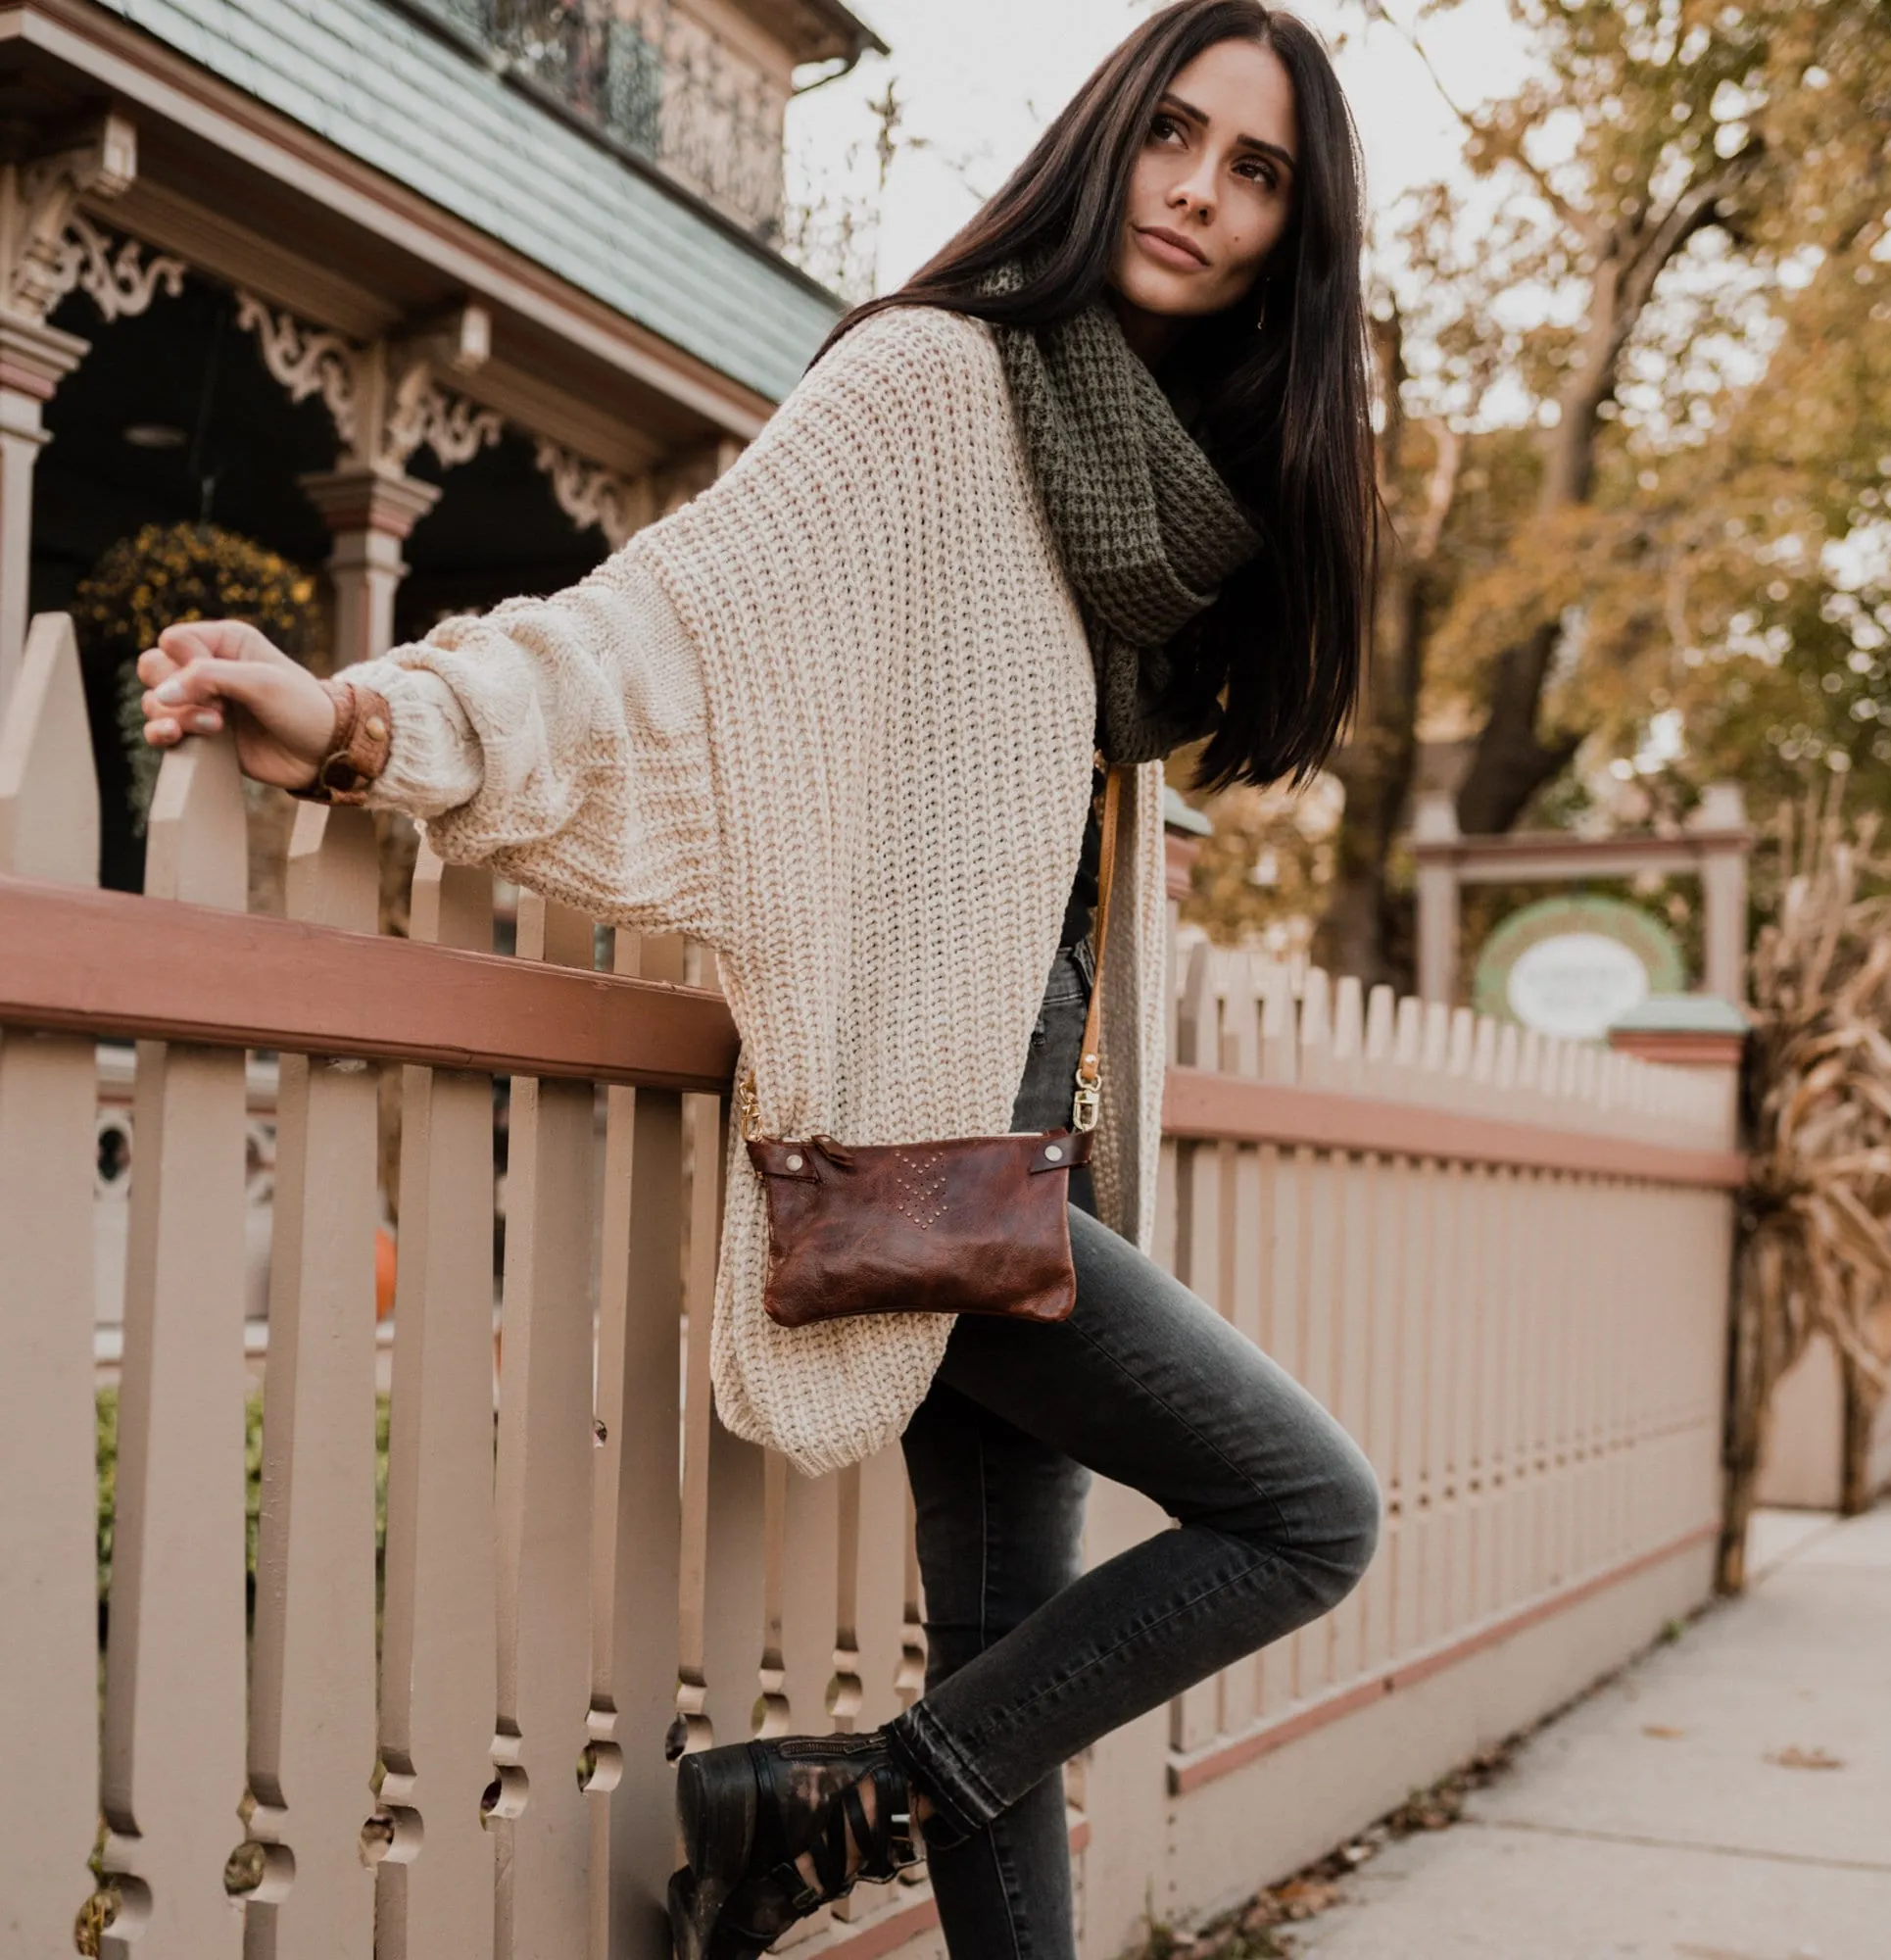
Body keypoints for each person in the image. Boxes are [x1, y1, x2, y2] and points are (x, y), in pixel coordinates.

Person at [135, 4, 1382, 1953]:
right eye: (1171, 134)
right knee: (1309, 1513)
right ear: (1103, 139)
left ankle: (848, 1798)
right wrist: (369, 722)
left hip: (1016, 1149)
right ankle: (820, 1801)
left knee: (1001, 1665)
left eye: (1252, 174)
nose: (1196, 194)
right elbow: (660, 629)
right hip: (911, 1147)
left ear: (1290, 240)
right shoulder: (933, 386)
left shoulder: (1153, 507)